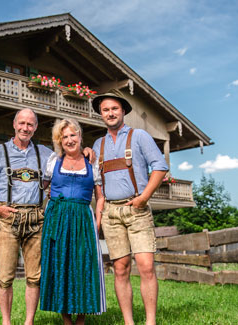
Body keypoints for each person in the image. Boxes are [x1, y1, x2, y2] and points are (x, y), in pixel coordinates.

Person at [0, 108, 94, 325]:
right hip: (8, 218)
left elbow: (69, 156)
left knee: (35, 276)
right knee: (5, 277)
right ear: (14, 124)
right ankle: (6, 322)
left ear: (36, 127)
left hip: (37, 218)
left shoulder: (45, 153)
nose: (25, 128)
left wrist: (86, 149)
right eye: (22, 123)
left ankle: (29, 321)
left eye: (30, 124)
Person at [91, 92, 168, 325]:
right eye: (106, 110)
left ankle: (150, 322)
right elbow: (97, 181)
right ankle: (128, 322)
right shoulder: (98, 144)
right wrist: (100, 208)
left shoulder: (140, 136)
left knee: (146, 266)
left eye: (114, 108)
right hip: (111, 213)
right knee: (121, 268)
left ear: (123, 111)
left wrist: (144, 197)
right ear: (101, 114)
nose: (110, 113)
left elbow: (160, 166)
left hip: (137, 208)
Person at [40, 119, 106, 325]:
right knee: (61, 265)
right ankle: (66, 319)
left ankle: (81, 319)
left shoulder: (91, 162)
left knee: (83, 266)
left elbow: (100, 196)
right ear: (60, 141)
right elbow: (42, 187)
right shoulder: (53, 161)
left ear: (80, 136)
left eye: (73, 135)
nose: (69, 140)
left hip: (83, 217)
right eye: (65, 137)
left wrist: (97, 221)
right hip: (57, 217)